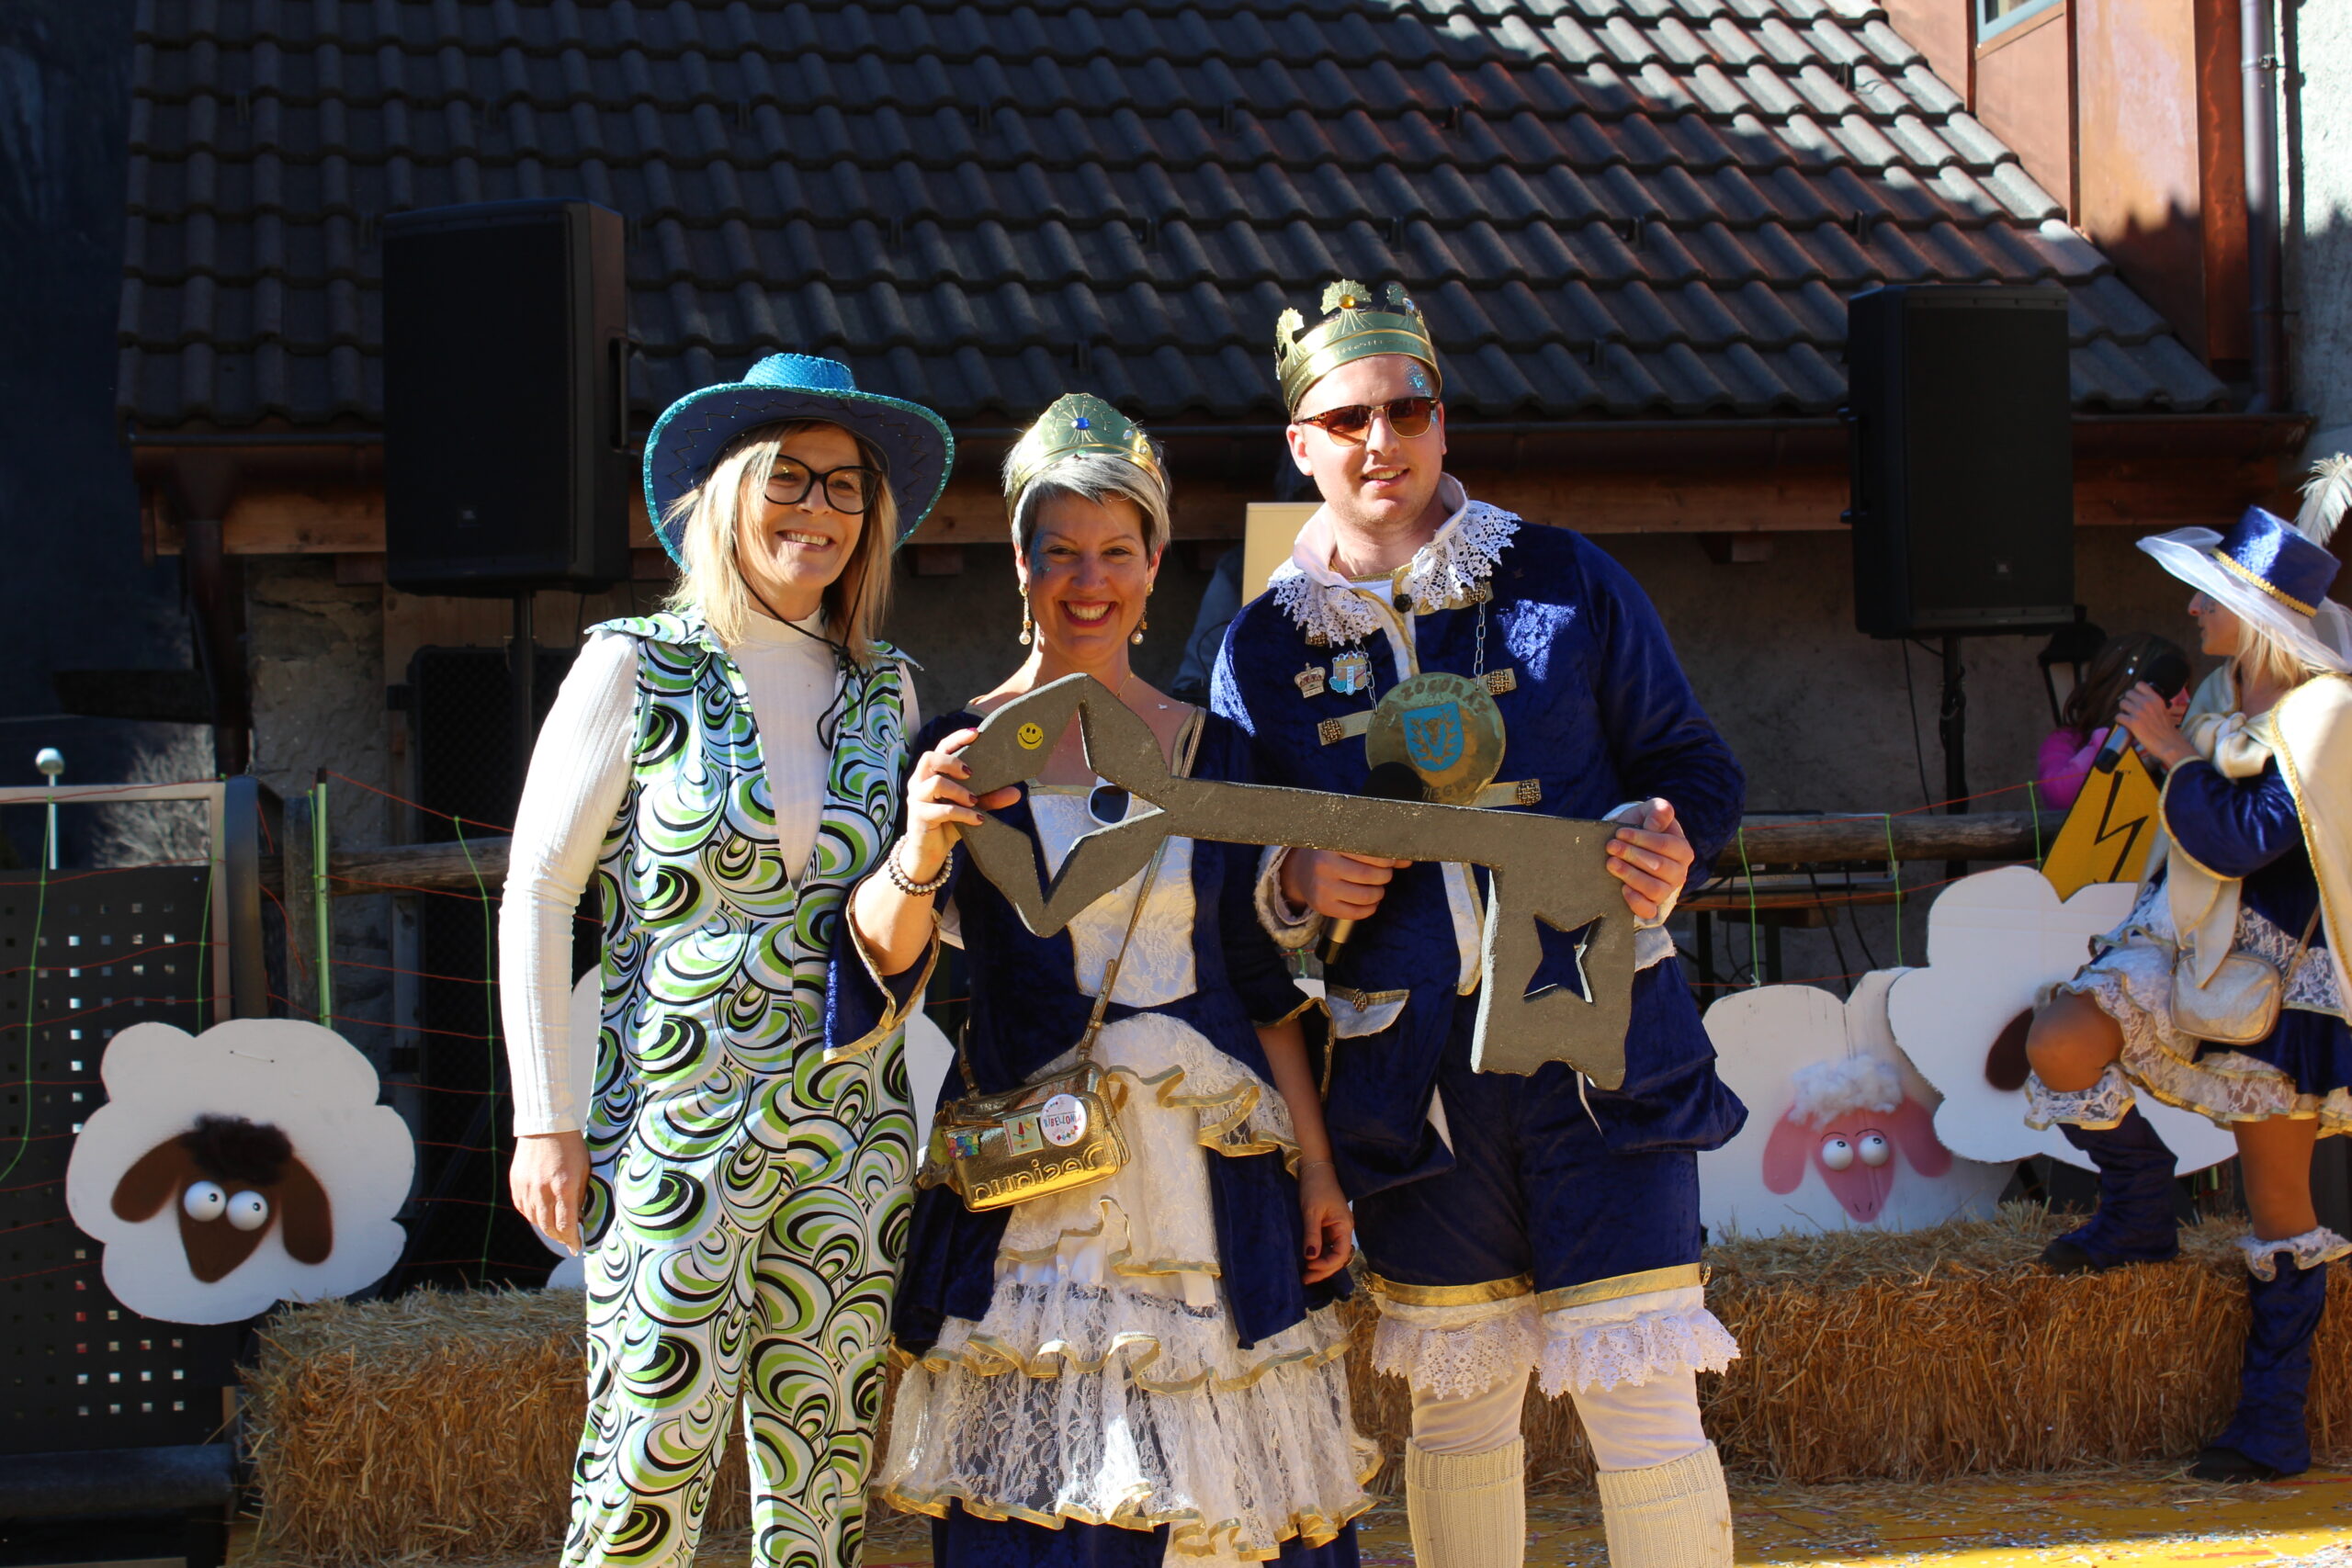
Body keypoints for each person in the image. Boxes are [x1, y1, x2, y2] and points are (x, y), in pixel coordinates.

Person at [1213, 282, 1747, 1568]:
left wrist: (1671, 834)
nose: (1381, 440)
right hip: (1408, 1077)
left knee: (1642, 1396)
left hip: (1600, 1041)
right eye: (1348, 419)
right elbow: (1226, 890)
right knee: (1458, 1411)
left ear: (1442, 421)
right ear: (1301, 445)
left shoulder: (1565, 576)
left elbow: (1694, 762)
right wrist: (1293, 883)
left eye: (1408, 410)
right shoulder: (1261, 650)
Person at [831, 394, 1375, 1568]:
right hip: (1035, 1191)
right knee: (1049, 1511)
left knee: (1220, 1511)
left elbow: (1255, 979)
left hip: (1211, 1187)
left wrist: (1319, 1167)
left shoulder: (1217, 755)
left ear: (1154, 564)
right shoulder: (956, 750)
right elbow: (884, 966)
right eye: (1062, 552)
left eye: (1116, 552)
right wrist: (918, 847)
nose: (1090, 582)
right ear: (1019, 563)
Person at [497, 354, 953, 1568]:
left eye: (846, 485)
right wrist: (544, 1119)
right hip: (672, 1124)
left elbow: (915, 902)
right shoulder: (636, 663)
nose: (819, 508)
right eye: (788, 476)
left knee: (825, 1477)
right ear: (725, 494)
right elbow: (538, 891)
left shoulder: (890, 692)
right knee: (645, 1468)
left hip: (852, 1130)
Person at [2024, 467, 2352, 1482]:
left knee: (2277, 1207)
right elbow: (2191, 831)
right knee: (2061, 1039)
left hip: (2277, 979)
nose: (2193, 609)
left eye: (2210, 596)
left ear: (2257, 617)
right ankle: (2140, 1205)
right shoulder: (2217, 696)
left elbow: (2249, 838)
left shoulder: (2327, 713)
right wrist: (2175, 744)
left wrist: (2172, 752)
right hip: (2175, 944)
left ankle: (2271, 1420)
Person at [2035, 632, 2190, 810]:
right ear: (2128, 688)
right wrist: (2124, 736)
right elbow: (2061, 797)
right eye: (2172, 688)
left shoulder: (2189, 737)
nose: (2186, 700)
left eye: (2187, 688)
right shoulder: (2066, 740)